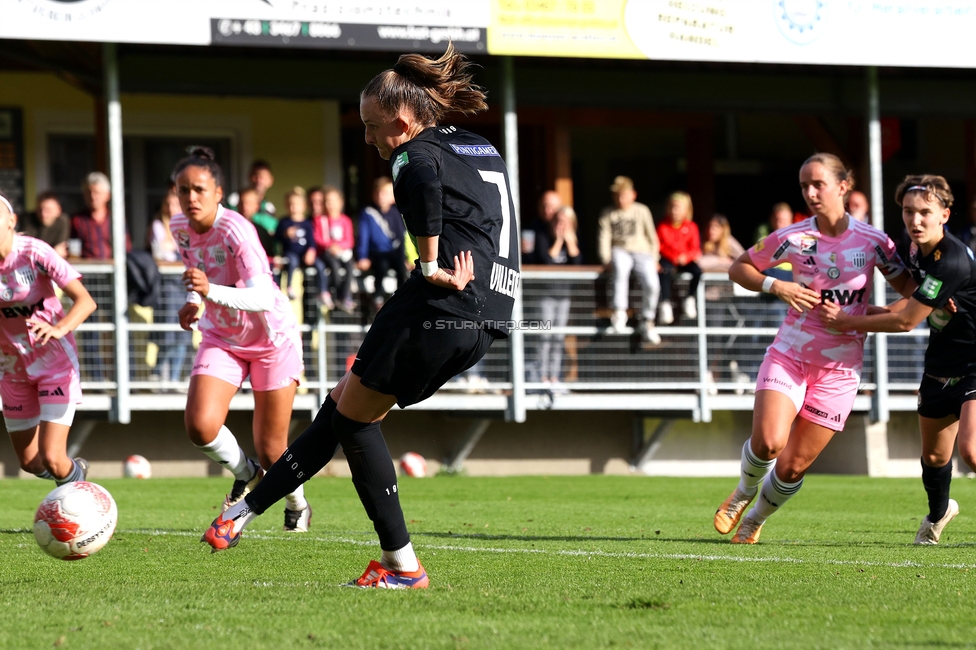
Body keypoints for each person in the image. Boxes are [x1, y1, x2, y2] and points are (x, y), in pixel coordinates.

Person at [203, 44, 519, 589]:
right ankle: (241, 514)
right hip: (490, 313)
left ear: (402, 120)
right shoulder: (477, 144)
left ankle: (403, 567)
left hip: (440, 299)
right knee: (346, 402)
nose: (369, 139)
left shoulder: (413, 150)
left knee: (353, 419)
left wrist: (429, 261)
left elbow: (416, 173)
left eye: (374, 128)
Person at [713, 152, 913, 544]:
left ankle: (754, 520)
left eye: (817, 183)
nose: (809, 192)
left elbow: (909, 300)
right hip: (790, 354)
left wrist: (861, 318)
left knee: (791, 467)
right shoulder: (793, 236)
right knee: (769, 442)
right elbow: (739, 266)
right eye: (804, 185)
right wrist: (778, 285)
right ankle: (741, 492)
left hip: (840, 372)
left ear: (843, 186)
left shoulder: (875, 242)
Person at [821, 175, 973, 545]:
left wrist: (848, 321)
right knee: (935, 460)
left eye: (925, 212)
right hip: (941, 364)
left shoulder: (950, 261)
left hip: (973, 362)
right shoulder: (913, 250)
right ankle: (938, 516)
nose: (915, 220)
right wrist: (861, 309)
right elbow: (909, 303)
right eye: (908, 212)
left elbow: (906, 322)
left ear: (945, 215)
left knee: (971, 452)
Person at [169, 147, 311, 533]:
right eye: (183, 190)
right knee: (200, 425)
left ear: (218, 192)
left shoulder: (237, 230)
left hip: (271, 341)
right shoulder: (179, 225)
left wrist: (209, 291)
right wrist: (192, 301)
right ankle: (245, 472)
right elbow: (197, 272)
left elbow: (264, 297)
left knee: (272, 450)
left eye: (199, 189)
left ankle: (297, 502)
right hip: (222, 336)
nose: (191, 197)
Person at [0, 192, 97, 486]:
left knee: (54, 458)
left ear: (11, 221)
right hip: (13, 369)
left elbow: (85, 302)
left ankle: (83, 501)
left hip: (54, 363)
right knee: (31, 462)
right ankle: (73, 474)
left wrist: (59, 328)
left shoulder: (34, 252)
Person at [597, 176, 662, 344]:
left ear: (633, 194)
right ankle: (620, 311)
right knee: (621, 269)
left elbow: (652, 236)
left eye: (623, 195)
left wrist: (655, 258)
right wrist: (606, 259)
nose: (620, 199)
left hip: (642, 252)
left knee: (652, 283)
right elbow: (604, 238)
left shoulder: (642, 210)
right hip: (620, 250)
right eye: (617, 195)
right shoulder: (608, 213)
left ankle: (647, 320)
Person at [534, 205, 583, 386]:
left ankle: (554, 377)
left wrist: (569, 242)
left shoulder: (575, 240)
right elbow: (546, 260)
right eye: (558, 221)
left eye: (565, 222)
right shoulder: (544, 237)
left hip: (564, 296)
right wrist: (558, 241)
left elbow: (577, 263)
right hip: (546, 295)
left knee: (558, 336)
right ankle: (541, 376)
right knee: (545, 335)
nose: (561, 225)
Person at [147, 185, 190, 386]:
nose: (172, 207)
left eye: (175, 204)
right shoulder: (158, 226)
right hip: (168, 284)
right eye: (169, 204)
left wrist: (174, 249)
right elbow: (160, 255)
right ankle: (159, 373)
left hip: (186, 284)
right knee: (168, 331)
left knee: (184, 333)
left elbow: (192, 254)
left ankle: (174, 378)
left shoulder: (188, 226)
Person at [356, 177, 408, 308]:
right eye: (377, 192)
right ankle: (377, 297)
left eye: (384, 193)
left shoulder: (397, 213)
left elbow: (402, 237)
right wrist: (362, 257)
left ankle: (401, 298)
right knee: (381, 267)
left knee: (401, 270)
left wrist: (406, 258)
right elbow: (364, 237)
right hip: (377, 253)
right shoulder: (367, 212)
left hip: (394, 251)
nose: (380, 196)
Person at [275, 186, 329, 304]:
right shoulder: (284, 222)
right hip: (291, 254)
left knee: (320, 265)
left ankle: (323, 291)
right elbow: (276, 237)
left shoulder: (307, 223)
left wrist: (311, 251)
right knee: (291, 262)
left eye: (296, 204)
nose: (292, 207)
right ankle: (289, 287)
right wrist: (285, 234)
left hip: (305, 255)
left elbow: (311, 240)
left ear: (304, 206)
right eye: (290, 204)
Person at [657, 191, 702, 322]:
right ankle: (665, 303)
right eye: (672, 206)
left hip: (685, 260)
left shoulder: (692, 227)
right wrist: (673, 257)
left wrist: (685, 257)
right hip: (668, 259)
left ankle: (690, 298)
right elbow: (660, 246)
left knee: (697, 271)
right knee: (663, 271)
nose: (674, 210)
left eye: (678, 207)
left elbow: (695, 248)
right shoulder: (662, 226)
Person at [312, 185, 356, 312]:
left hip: (343, 253)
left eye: (332, 201)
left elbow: (349, 240)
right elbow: (317, 237)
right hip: (328, 254)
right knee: (334, 266)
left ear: (340, 203)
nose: (329, 204)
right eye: (327, 201)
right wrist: (330, 246)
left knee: (350, 267)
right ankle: (338, 294)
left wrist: (339, 247)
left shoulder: (346, 220)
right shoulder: (320, 220)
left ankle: (346, 296)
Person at [71, 172, 129, 260]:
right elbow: (72, 249)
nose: (93, 197)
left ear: (107, 195)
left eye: (97, 193)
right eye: (89, 193)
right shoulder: (77, 220)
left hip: (112, 269)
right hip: (86, 269)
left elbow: (126, 247)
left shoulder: (116, 219)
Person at [18, 191, 69, 258]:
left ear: (58, 210)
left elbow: (60, 250)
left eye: (48, 210)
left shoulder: (63, 221)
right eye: (40, 210)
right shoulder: (27, 220)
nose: (43, 214)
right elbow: (25, 249)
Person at [522, 190, 561, 264]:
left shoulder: (568, 228)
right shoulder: (531, 228)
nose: (546, 210)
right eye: (543, 206)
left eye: (551, 207)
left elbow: (579, 262)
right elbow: (530, 258)